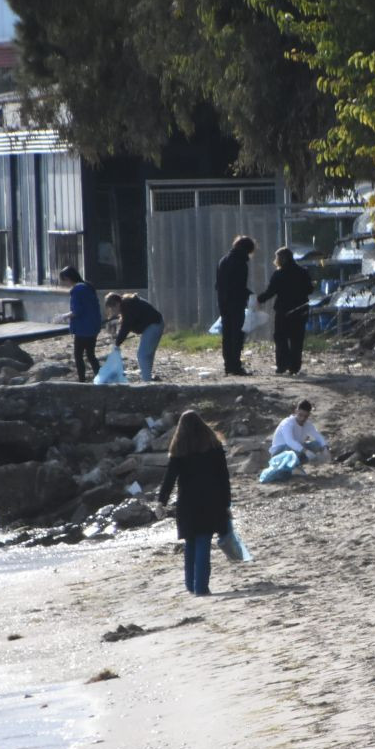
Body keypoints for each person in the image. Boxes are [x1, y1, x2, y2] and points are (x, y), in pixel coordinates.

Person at [158, 410, 232, 597]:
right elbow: (224, 478)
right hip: (211, 502)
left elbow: (169, 478)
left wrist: (161, 501)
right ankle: (201, 588)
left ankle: (191, 586)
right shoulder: (214, 446)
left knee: (191, 543)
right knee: (203, 543)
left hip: (187, 504)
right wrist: (226, 504)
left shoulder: (179, 450)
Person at [256, 247, 314, 375]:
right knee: (297, 339)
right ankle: (294, 367)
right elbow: (310, 289)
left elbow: (271, 291)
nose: (275, 261)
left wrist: (259, 300)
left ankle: (282, 365)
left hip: (284, 311)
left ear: (282, 258)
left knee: (281, 338)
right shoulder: (303, 272)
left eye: (277, 258)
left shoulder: (279, 274)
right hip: (301, 310)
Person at [216, 235, 255, 376]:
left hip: (223, 302)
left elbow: (219, 284)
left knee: (227, 334)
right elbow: (239, 286)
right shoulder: (240, 262)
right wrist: (251, 295)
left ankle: (228, 366)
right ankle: (236, 366)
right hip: (236, 303)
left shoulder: (223, 260)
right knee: (237, 334)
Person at [104, 291, 165, 382]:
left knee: (142, 355)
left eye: (112, 309)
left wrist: (117, 344)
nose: (113, 312)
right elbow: (127, 322)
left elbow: (126, 327)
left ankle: (146, 382)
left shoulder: (127, 306)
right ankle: (148, 379)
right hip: (156, 324)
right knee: (147, 355)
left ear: (117, 304)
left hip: (153, 326)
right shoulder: (127, 303)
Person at [58, 265, 101, 383]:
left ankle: (82, 380)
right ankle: (100, 376)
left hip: (83, 328)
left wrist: (64, 316)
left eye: (64, 281)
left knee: (78, 355)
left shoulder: (77, 290)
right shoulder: (88, 286)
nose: (64, 284)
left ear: (68, 278)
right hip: (93, 326)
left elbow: (77, 311)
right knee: (91, 355)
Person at [269, 399, 329, 468]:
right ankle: (291, 467)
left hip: (297, 451)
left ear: (309, 415)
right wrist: (306, 451)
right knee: (294, 448)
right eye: (300, 415)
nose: (302, 418)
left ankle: (300, 465)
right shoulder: (287, 423)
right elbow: (290, 441)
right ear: (296, 411)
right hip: (280, 454)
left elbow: (318, 436)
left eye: (305, 416)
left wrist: (325, 448)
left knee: (316, 444)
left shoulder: (307, 424)